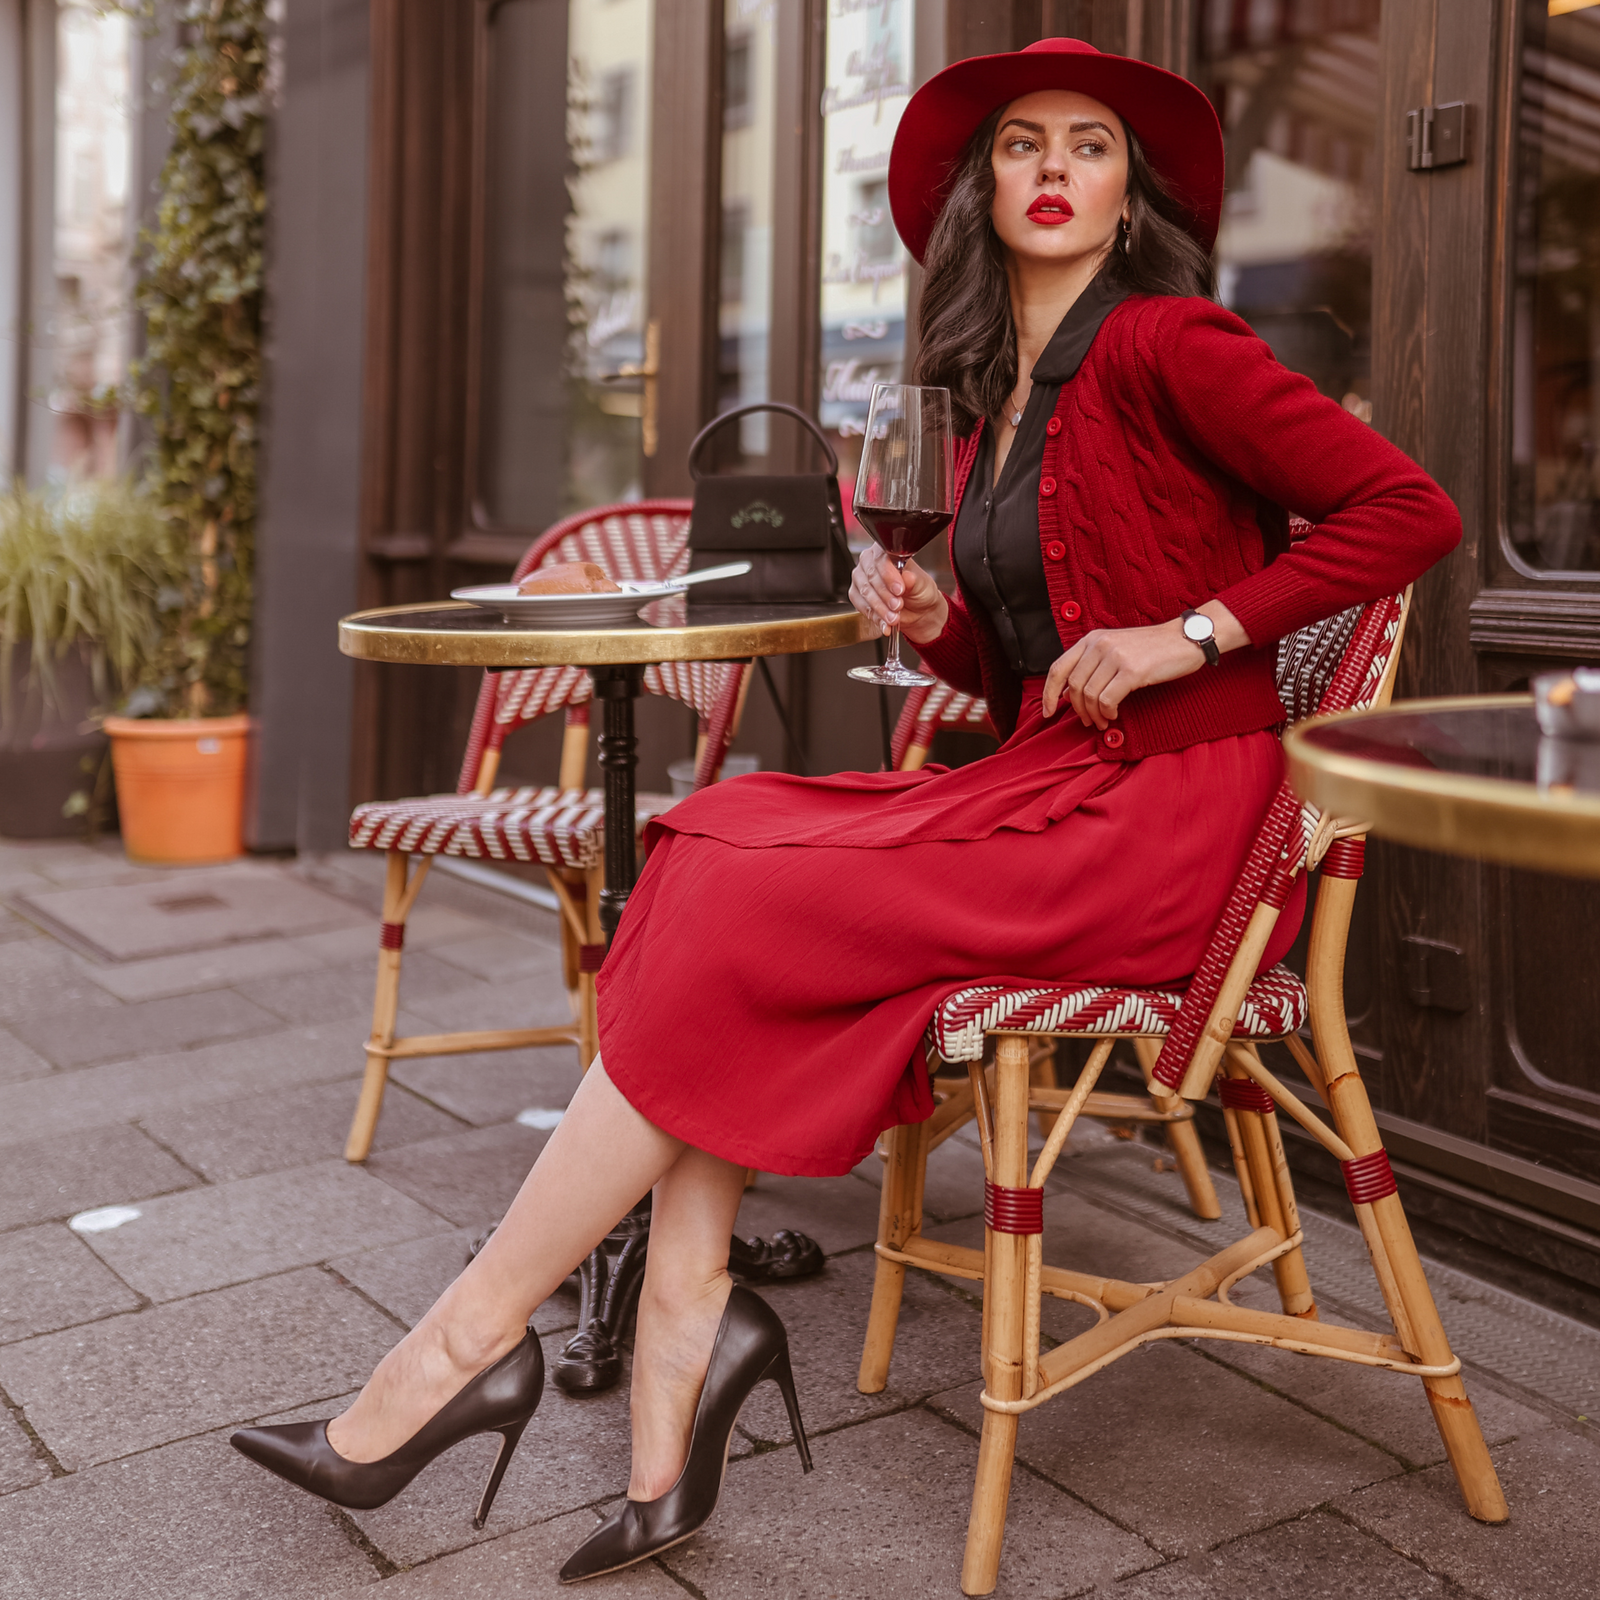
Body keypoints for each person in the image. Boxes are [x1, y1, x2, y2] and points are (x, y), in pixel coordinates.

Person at [230, 38, 1459, 1583]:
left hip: (1167, 825)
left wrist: (1193, 634)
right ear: (982, 190)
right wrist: (928, 612)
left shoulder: (1170, 344)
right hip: (1051, 778)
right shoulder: (1000, 399)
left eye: (1092, 145)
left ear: (1129, 191)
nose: (1059, 168)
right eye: (1025, 146)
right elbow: (1019, 660)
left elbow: (1411, 511)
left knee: (733, 878)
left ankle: (467, 1349)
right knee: (698, 843)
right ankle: (683, 1346)